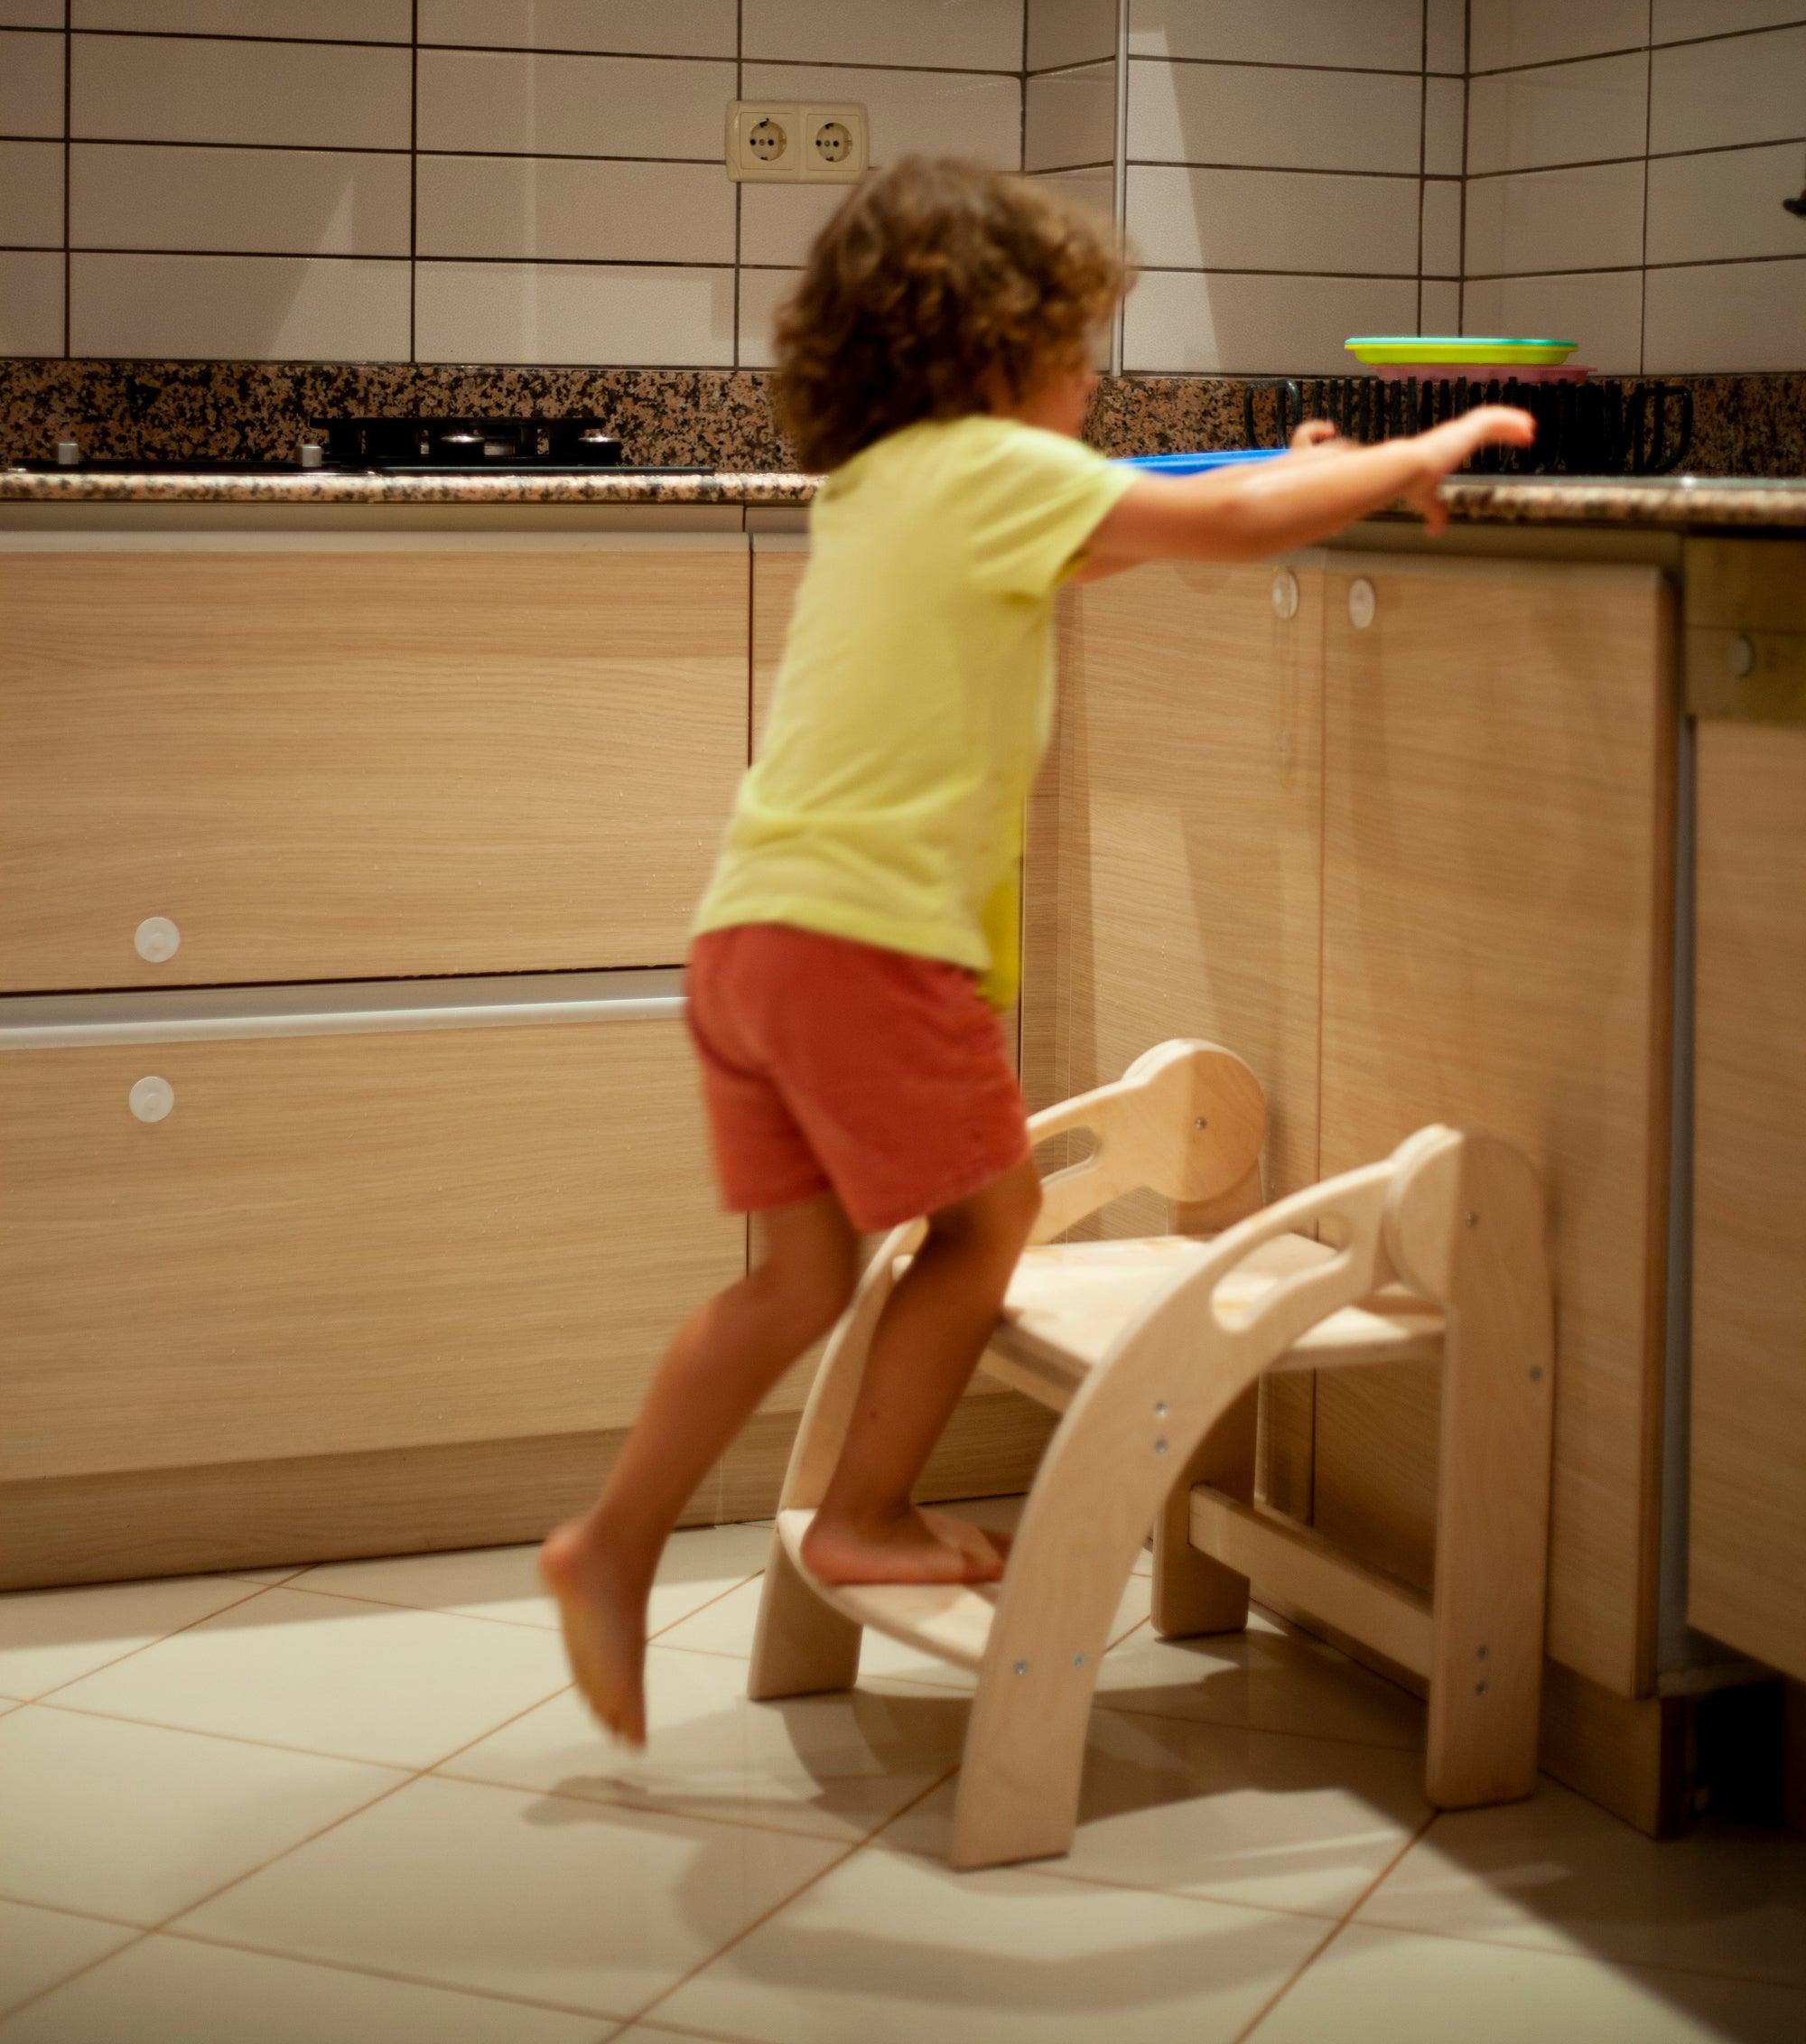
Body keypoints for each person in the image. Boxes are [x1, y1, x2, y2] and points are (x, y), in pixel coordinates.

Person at [541, 154, 1533, 1742]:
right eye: (1081, 348)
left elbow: (1165, 508)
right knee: (990, 1221)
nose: (1095, 380)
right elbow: (1207, 529)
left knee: (794, 1281)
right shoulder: (993, 473)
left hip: (751, 941)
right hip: (867, 944)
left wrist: (1296, 466)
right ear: (995, 352)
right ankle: (863, 1512)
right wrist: (1425, 447)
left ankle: (610, 1547)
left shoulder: (890, 483)